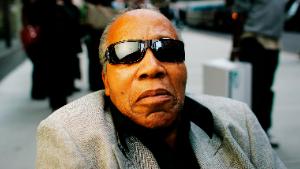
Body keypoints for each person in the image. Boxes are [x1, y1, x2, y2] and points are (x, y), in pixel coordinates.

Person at [36, 9, 286, 168]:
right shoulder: (70, 137)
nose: (152, 67)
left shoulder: (240, 120)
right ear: (106, 81)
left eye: (167, 49)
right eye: (127, 53)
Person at [230, 0, 286, 147]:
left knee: (266, 89)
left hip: (273, 44)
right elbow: (238, 15)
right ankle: (248, 131)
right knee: (252, 89)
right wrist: (235, 46)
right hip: (253, 41)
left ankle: (264, 129)